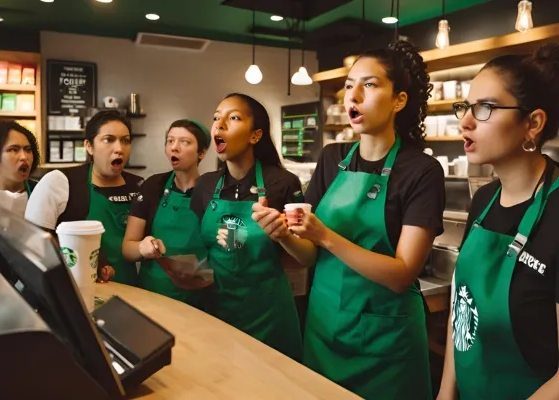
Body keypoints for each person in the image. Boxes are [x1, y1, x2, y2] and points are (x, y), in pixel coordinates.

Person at [287, 40, 445, 399]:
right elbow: (309, 255)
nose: (353, 95)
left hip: (386, 346)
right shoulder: (332, 158)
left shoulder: (421, 171)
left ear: (399, 100)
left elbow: (403, 274)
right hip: (324, 332)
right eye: (348, 85)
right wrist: (283, 234)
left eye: (369, 85)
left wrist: (326, 236)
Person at [438, 44, 559, 400]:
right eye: (465, 107)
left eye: (485, 108)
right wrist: (446, 392)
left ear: (533, 123)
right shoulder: (483, 200)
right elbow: (461, 306)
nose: (466, 121)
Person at [186, 93, 314, 361]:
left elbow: (308, 256)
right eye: (216, 118)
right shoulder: (205, 185)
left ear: (255, 136)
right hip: (217, 310)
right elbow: (202, 248)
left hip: (268, 313)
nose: (219, 124)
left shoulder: (283, 183)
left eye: (233, 118)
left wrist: (282, 235)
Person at [25, 110, 143, 285]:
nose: (119, 149)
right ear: (89, 146)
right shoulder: (60, 182)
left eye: (125, 141)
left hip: (132, 292)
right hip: (78, 291)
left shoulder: (139, 186)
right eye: (108, 140)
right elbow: (33, 244)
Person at [122, 119, 210, 307]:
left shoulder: (212, 193)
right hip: (152, 296)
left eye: (184, 142)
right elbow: (128, 249)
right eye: (170, 141)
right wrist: (142, 248)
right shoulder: (153, 186)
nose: (174, 148)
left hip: (200, 301)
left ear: (201, 152)